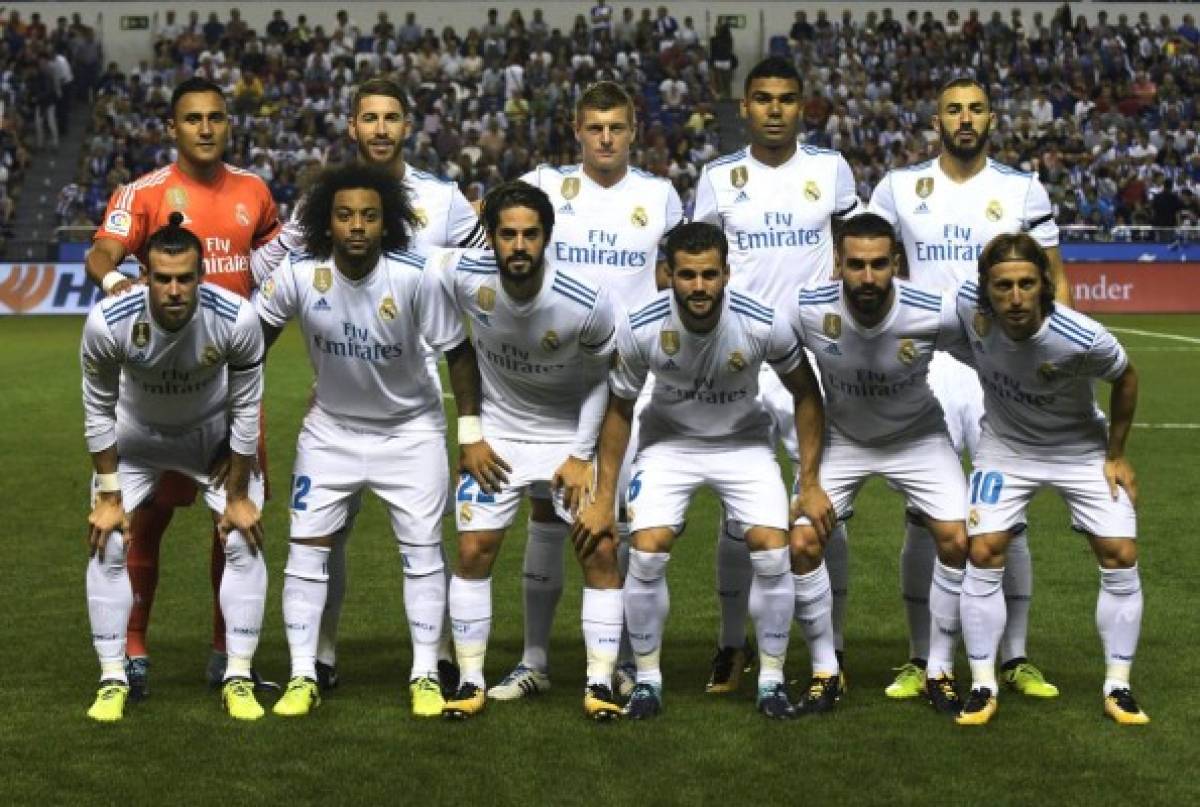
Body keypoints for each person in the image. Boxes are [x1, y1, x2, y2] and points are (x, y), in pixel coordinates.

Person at [253, 77, 486, 694]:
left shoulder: (445, 200)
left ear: (408, 126)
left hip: (410, 404)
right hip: (336, 406)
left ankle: (431, 661)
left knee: (421, 545)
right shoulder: (319, 205)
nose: (381, 128)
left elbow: (484, 278)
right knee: (323, 543)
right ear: (352, 126)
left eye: (392, 118)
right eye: (369, 118)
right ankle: (318, 658)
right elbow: (271, 275)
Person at [572, 221, 834, 720]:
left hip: (743, 445)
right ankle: (647, 680)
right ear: (668, 274)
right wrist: (605, 497)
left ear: (726, 274)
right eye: (687, 275)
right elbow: (620, 409)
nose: (699, 286)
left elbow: (806, 392)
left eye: (709, 275)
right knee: (645, 553)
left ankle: (773, 681)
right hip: (669, 445)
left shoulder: (761, 321)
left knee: (772, 552)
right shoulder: (643, 323)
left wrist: (813, 481)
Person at [869, 77, 1070, 701]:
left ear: (991, 119)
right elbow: (865, 270)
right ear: (937, 119)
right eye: (953, 109)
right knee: (922, 516)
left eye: (975, 109)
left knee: (1006, 518)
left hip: (1000, 369)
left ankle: (1015, 656)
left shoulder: (1022, 189)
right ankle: (920, 656)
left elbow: (1054, 283)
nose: (964, 118)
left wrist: (1054, 362)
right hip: (924, 365)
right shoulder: (899, 187)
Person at [86, 77, 281, 697]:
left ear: (228, 125)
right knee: (142, 525)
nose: (205, 127)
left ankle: (227, 656)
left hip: (232, 383)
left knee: (235, 523)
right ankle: (134, 651)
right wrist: (116, 284)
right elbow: (103, 252)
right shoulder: (143, 193)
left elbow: (274, 261)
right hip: (162, 382)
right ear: (173, 128)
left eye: (216, 118)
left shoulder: (255, 190)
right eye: (192, 118)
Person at [507, 81, 683, 701]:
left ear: (634, 131)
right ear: (577, 133)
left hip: (630, 384)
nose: (605, 138)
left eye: (616, 127)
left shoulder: (660, 196)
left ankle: (632, 660)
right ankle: (533, 660)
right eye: (594, 128)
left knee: (623, 520)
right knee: (544, 511)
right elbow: (500, 243)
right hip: (554, 380)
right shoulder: (545, 186)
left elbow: (675, 280)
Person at [692, 56, 859, 695]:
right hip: (741, 365)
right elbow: (697, 267)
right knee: (739, 516)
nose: (774, 109)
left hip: (817, 365)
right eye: (762, 98)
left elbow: (854, 254)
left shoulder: (831, 171)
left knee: (822, 510)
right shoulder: (718, 178)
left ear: (802, 106)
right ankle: (731, 646)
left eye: (787, 99)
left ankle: (833, 649)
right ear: (745, 106)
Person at [438, 182, 623, 721]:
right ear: (490, 237)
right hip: (498, 437)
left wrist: (582, 454)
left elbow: (600, 383)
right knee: (474, 552)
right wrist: (470, 432)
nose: (519, 245)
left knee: (601, 550)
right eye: (507, 234)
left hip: (569, 435)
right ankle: (470, 680)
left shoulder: (585, 298)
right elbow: (449, 336)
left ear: (547, 237)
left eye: (530, 234)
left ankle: (600, 683)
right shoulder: (461, 275)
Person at [953, 234, 1147, 726]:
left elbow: (1126, 378)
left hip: (1080, 451)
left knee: (1120, 553)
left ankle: (1118, 686)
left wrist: (1117, 454)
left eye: (1026, 284)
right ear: (985, 289)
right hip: (1005, 448)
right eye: (1002, 287)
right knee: (983, 548)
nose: (1015, 298)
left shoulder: (1082, 337)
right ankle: (981, 685)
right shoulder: (967, 313)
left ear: (1044, 285)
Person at [81, 215, 268, 722]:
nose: (174, 289)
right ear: (146, 275)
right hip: (136, 440)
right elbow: (98, 411)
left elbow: (247, 408)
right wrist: (109, 496)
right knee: (110, 538)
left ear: (201, 277)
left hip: (208, 439)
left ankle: (238, 674)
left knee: (242, 536)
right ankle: (112, 676)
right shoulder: (108, 321)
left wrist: (237, 494)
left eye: (185, 277)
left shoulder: (236, 318)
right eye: (162, 278)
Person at [785, 213, 969, 715]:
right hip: (843, 439)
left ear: (897, 264)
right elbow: (780, 364)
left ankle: (940, 669)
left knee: (958, 538)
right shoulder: (805, 308)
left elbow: (992, 358)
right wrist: (807, 480)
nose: (868, 277)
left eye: (879, 265)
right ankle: (826, 670)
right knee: (801, 541)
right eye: (856, 265)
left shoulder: (935, 311)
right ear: (837, 264)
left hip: (918, 437)